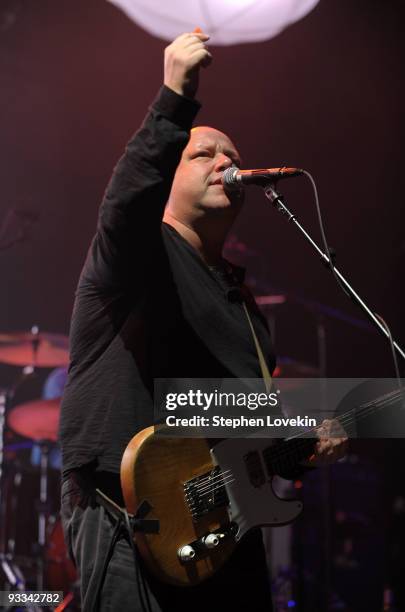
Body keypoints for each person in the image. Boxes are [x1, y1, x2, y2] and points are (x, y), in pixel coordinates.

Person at [59, 30, 347, 612]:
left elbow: (238, 442)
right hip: (131, 520)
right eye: (204, 155)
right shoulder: (139, 255)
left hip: (225, 536)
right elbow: (125, 204)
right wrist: (173, 101)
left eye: (234, 158)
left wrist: (300, 446)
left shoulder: (247, 312)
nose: (226, 164)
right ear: (168, 177)